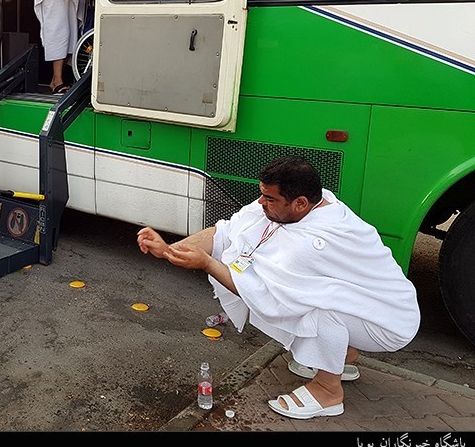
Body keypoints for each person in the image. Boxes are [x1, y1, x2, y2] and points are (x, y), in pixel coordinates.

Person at [137, 156, 420, 420]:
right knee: (316, 300)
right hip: (367, 305)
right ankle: (344, 354)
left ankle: (328, 390)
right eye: (261, 194)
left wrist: (208, 264)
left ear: (299, 203)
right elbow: (224, 232)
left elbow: (265, 295)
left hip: (389, 324)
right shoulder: (306, 205)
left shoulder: (310, 244)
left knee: (312, 308)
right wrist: (168, 250)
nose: (260, 202)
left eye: (269, 198)